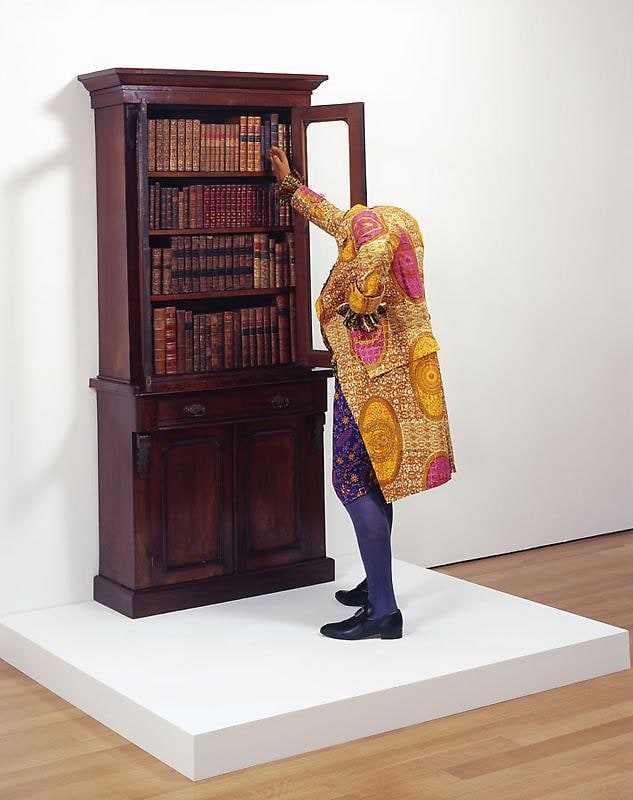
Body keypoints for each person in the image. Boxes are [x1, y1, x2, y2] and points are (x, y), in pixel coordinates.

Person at [269, 145, 456, 641]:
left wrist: (352, 298)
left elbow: (358, 268)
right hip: (380, 384)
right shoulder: (392, 241)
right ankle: (377, 585)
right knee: (372, 482)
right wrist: (292, 185)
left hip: (372, 386)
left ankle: (384, 611)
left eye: (355, 240)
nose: (346, 241)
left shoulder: (373, 269)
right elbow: (338, 222)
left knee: (350, 481)